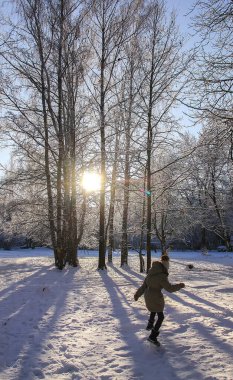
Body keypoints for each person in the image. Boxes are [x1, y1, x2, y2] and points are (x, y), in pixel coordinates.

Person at [134, 255, 185, 345]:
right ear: (165, 266)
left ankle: (150, 324)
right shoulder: (162, 276)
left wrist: (137, 294)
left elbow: (143, 286)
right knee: (161, 317)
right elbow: (169, 288)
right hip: (156, 296)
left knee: (154, 309)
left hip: (147, 295)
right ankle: (153, 336)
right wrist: (179, 285)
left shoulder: (151, 272)